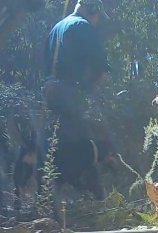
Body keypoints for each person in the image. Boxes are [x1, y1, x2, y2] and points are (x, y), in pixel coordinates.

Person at [44, 0, 110, 140]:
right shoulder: (84, 26)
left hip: (49, 93)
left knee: (54, 142)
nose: (97, 20)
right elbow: (101, 67)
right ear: (92, 9)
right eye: (98, 15)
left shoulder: (55, 29)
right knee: (75, 147)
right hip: (71, 95)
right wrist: (93, 92)